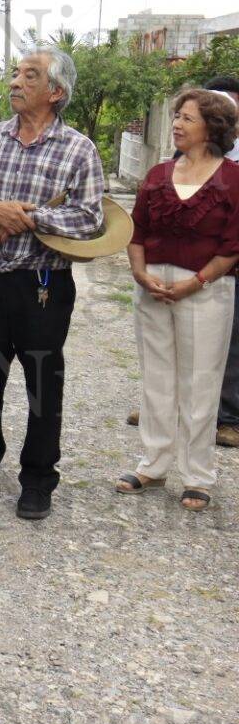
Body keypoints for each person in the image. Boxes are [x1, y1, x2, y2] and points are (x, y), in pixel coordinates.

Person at [0, 48, 105, 520]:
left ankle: (37, 480)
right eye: (15, 73)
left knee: (42, 383)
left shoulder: (78, 148)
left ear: (55, 92)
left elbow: (92, 219)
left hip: (44, 284)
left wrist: (29, 218)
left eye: (28, 76)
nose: (14, 82)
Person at [118, 88, 239, 512]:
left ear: (213, 127)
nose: (177, 124)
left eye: (187, 118)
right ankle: (153, 464)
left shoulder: (233, 179)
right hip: (152, 287)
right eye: (177, 116)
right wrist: (139, 272)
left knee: (200, 384)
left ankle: (198, 476)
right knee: (156, 377)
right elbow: (136, 231)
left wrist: (195, 282)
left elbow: (233, 246)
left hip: (205, 291)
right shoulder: (156, 174)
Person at [204, 75, 239, 447]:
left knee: (232, 343)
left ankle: (228, 417)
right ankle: (169, 409)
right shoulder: (186, 157)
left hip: (231, 264)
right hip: (190, 265)